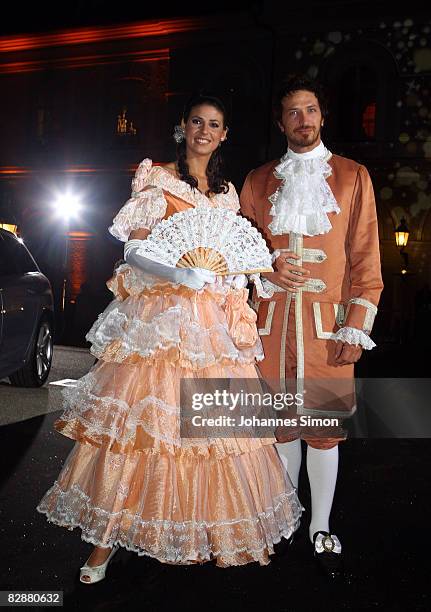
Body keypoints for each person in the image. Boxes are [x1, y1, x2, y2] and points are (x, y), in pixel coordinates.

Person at [36, 92, 302, 583]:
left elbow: (232, 261)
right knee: (141, 434)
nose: (204, 130)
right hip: (160, 320)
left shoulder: (224, 194)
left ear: (225, 134)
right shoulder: (157, 177)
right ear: (184, 127)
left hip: (212, 327)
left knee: (207, 437)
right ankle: (103, 546)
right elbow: (135, 252)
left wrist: (242, 276)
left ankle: (197, 531)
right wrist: (179, 276)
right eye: (197, 121)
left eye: (214, 124)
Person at [239, 75, 383, 578]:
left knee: (322, 432)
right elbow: (242, 256)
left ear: (322, 117)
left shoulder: (352, 175)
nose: (304, 120)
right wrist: (266, 269)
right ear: (281, 123)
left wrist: (356, 326)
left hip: (328, 327)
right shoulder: (257, 180)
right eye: (294, 113)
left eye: (312, 110)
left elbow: (366, 260)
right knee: (282, 431)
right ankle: (284, 520)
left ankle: (320, 523)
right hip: (273, 325)